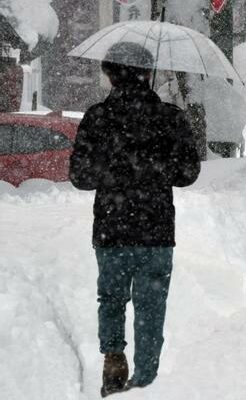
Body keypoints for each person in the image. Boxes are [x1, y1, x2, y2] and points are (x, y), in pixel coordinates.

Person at [68, 42, 201, 397]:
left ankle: (113, 355)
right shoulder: (170, 118)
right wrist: (154, 167)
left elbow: (80, 176)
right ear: (147, 74)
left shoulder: (98, 117)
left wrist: (114, 170)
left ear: (110, 74)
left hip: (112, 228)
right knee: (151, 306)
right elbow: (188, 173)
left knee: (110, 299)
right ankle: (145, 379)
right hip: (156, 230)